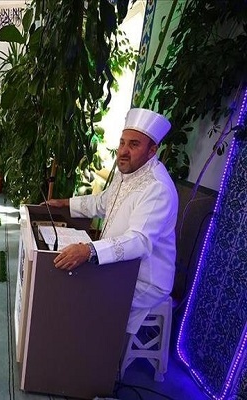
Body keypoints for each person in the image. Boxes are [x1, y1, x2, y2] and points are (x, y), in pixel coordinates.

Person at [44, 108, 178, 335]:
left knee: (81, 290)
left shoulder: (157, 188)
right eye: (122, 143)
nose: (123, 151)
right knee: (72, 282)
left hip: (144, 279)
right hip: (119, 267)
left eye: (134, 145)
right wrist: (64, 203)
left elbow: (139, 241)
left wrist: (89, 250)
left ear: (152, 151)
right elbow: (102, 202)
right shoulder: (127, 172)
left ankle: (100, 350)